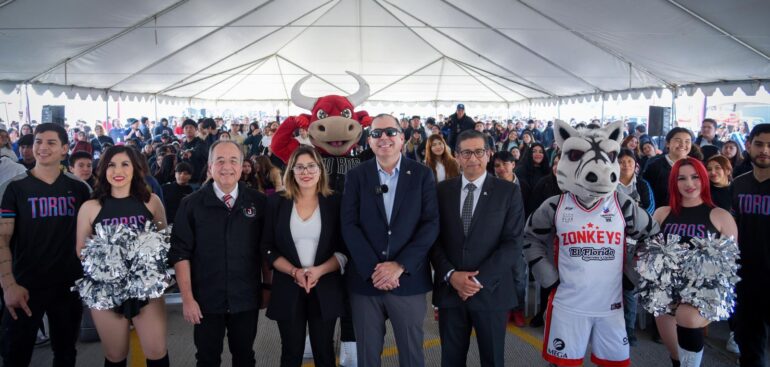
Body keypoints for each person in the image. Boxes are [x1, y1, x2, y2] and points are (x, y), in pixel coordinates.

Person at [341, 113, 439, 367]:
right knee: (368, 356)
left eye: (390, 132)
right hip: (366, 281)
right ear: (369, 142)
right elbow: (349, 225)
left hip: (407, 280)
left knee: (411, 354)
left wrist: (399, 265)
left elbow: (430, 224)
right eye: (376, 134)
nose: (383, 137)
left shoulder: (422, 175)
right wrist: (375, 269)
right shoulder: (356, 176)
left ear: (403, 137)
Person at [169, 140, 270, 367]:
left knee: (245, 357)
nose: (227, 167)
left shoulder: (259, 202)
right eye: (220, 161)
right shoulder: (190, 204)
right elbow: (180, 254)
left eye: (233, 160)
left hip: (245, 297)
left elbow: (266, 250)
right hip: (205, 300)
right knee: (206, 359)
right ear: (209, 166)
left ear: (243, 165)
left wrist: (267, 287)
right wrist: (187, 299)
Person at [430, 129, 525, 367]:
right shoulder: (441, 191)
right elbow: (433, 239)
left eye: (479, 151)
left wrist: (475, 282)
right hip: (451, 292)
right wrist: (452, 276)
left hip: (491, 292)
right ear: (457, 156)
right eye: (466, 152)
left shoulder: (509, 192)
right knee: (450, 360)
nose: (473, 158)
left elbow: (512, 243)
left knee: (492, 359)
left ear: (489, 154)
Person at [0, 123, 91, 367]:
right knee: (14, 355)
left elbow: (91, 240)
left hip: (68, 287)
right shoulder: (14, 188)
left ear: (64, 149)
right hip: (25, 287)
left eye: (51, 142)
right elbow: (2, 239)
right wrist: (8, 286)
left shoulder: (80, 189)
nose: (42, 147)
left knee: (65, 354)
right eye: (38, 141)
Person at [75, 146, 169, 367]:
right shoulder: (90, 206)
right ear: (103, 170)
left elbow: (163, 240)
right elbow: (81, 249)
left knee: (156, 350)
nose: (118, 170)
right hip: (106, 290)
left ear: (135, 169)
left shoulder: (151, 201)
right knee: (116, 354)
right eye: (111, 165)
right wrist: (111, 265)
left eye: (125, 164)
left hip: (145, 288)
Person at [261, 146, 346, 367]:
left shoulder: (336, 202)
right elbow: (267, 246)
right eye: (299, 167)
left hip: (325, 286)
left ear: (320, 170)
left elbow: (344, 249)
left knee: (324, 350)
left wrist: (319, 270)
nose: (305, 172)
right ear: (291, 171)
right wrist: (293, 271)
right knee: (291, 351)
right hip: (287, 285)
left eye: (311, 166)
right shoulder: (276, 202)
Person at [652, 157, 737, 367]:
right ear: (674, 182)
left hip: (706, 292)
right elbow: (651, 253)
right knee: (676, 356)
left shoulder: (721, 216)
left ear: (704, 179)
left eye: (695, 177)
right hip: (668, 290)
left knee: (686, 316)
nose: (689, 184)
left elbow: (730, 264)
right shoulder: (662, 213)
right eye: (682, 178)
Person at [731, 123, 770, 367]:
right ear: (748, 146)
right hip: (745, 277)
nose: (765, 150)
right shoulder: (739, 184)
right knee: (750, 346)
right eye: (759, 144)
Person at [616, 149, 655, 347]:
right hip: (612, 239)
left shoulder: (643, 184)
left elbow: (649, 210)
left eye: (629, 161)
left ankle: (629, 329)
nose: (625, 165)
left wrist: (629, 222)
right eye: (621, 161)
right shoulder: (609, 184)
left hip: (636, 241)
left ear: (635, 164)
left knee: (629, 286)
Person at [643, 127, 694, 212]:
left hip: (690, 215)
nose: (683, 144)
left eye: (687, 141)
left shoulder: (696, 165)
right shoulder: (654, 166)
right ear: (667, 143)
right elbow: (646, 194)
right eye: (678, 140)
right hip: (662, 215)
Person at [179, 119, 208, 184]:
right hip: (184, 179)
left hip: (198, 179)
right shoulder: (182, 145)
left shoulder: (201, 143)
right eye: (186, 128)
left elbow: (202, 155)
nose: (188, 129)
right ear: (183, 131)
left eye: (191, 127)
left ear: (196, 129)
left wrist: (191, 154)